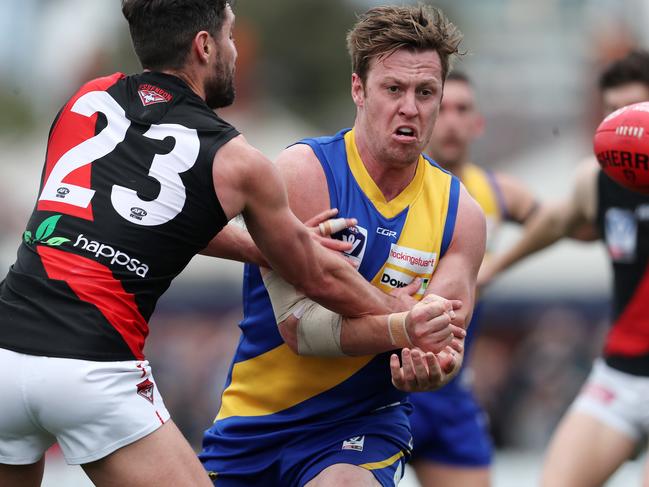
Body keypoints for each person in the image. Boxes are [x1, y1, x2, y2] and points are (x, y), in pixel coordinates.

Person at [0, 2, 438, 486]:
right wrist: (399, 315)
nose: (233, 49)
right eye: (229, 36)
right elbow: (317, 274)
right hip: (93, 367)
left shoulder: (86, 99)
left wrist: (258, 248)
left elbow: (137, 219)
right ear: (204, 46)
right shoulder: (235, 159)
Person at [199, 5, 486, 487]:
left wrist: (434, 367)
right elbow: (303, 330)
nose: (410, 108)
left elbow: (444, 347)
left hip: (362, 427)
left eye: (425, 92)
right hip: (254, 424)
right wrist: (404, 325)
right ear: (358, 89)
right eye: (392, 89)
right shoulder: (305, 172)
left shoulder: (462, 216)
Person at [479, 49, 649, 487]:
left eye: (630, 112)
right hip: (622, 375)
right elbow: (557, 220)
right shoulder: (595, 181)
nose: (620, 128)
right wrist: (493, 269)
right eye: (611, 113)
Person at [407, 71, 539, 487]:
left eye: (462, 109)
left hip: (451, 392)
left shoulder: (497, 193)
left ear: (477, 123)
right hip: (387, 382)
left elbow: (559, 220)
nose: (450, 120)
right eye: (441, 108)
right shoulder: (395, 190)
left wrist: (497, 266)